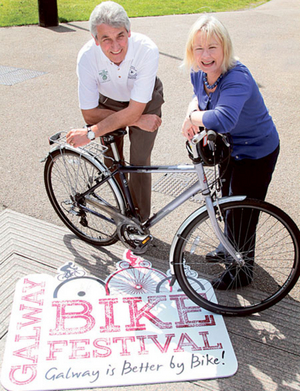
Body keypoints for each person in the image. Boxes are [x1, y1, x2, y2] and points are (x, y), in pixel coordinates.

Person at [182, 15, 280, 290]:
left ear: (225, 48)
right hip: (229, 148)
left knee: (242, 212)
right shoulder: (198, 71)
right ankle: (229, 247)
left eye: (212, 47)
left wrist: (193, 117)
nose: (205, 55)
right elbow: (198, 98)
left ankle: (242, 272)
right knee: (226, 201)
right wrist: (190, 114)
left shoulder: (238, 77)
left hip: (256, 151)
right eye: (198, 48)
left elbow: (224, 118)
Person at [66, 1, 164, 222]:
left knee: (139, 161)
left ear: (129, 32)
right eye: (106, 39)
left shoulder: (147, 50)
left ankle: (139, 220)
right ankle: (122, 210)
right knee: (112, 161)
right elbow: (89, 114)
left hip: (144, 102)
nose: (115, 46)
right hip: (109, 102)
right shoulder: (87, 57)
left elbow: (133, 110)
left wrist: (130, 119)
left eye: (120, 36)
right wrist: (136, 121)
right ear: (95, 40)